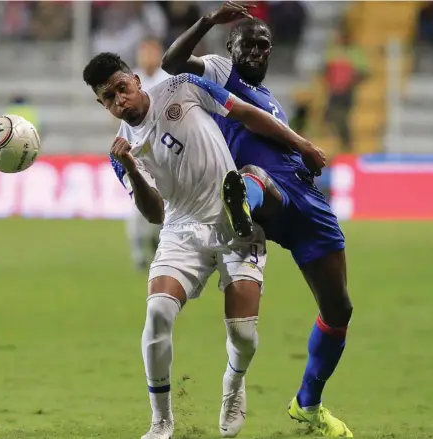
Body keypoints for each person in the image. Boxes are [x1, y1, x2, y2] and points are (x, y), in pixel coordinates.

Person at [83, 51, 324, 439]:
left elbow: (246, 113)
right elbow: (155, 214)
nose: (119, 101)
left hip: (236, 217)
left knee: (243, 336)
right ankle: (160, 422)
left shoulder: (184, 87)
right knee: (158, 312)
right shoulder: (121, 152)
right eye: (109, 98)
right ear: (101, 103)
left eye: (121, 89)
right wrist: (130, 167)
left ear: (135, 80)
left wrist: (301, 144)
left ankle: (233, 382)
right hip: (181, 228)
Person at [162, 2, 353, 437]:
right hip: (267, 192)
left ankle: (308, 403)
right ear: (230, 48)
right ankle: (240, 209)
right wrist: (208, 21)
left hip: (307, 199)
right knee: (252, 177)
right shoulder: (218, 73)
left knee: (339, 308)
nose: (256, 53)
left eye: (264, 46)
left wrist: (301, 151)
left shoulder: (271, 100)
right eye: (247, 46)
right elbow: (171, 62)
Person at [126, 38, 171, 270]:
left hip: (165, 153)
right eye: (144, 52)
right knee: (137, 204)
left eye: (152, 52)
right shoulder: (130, 79)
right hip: (138, 154)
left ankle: (159, 244)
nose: (148, 56)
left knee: (167, 205)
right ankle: (138, 253)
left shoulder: (168, 80)